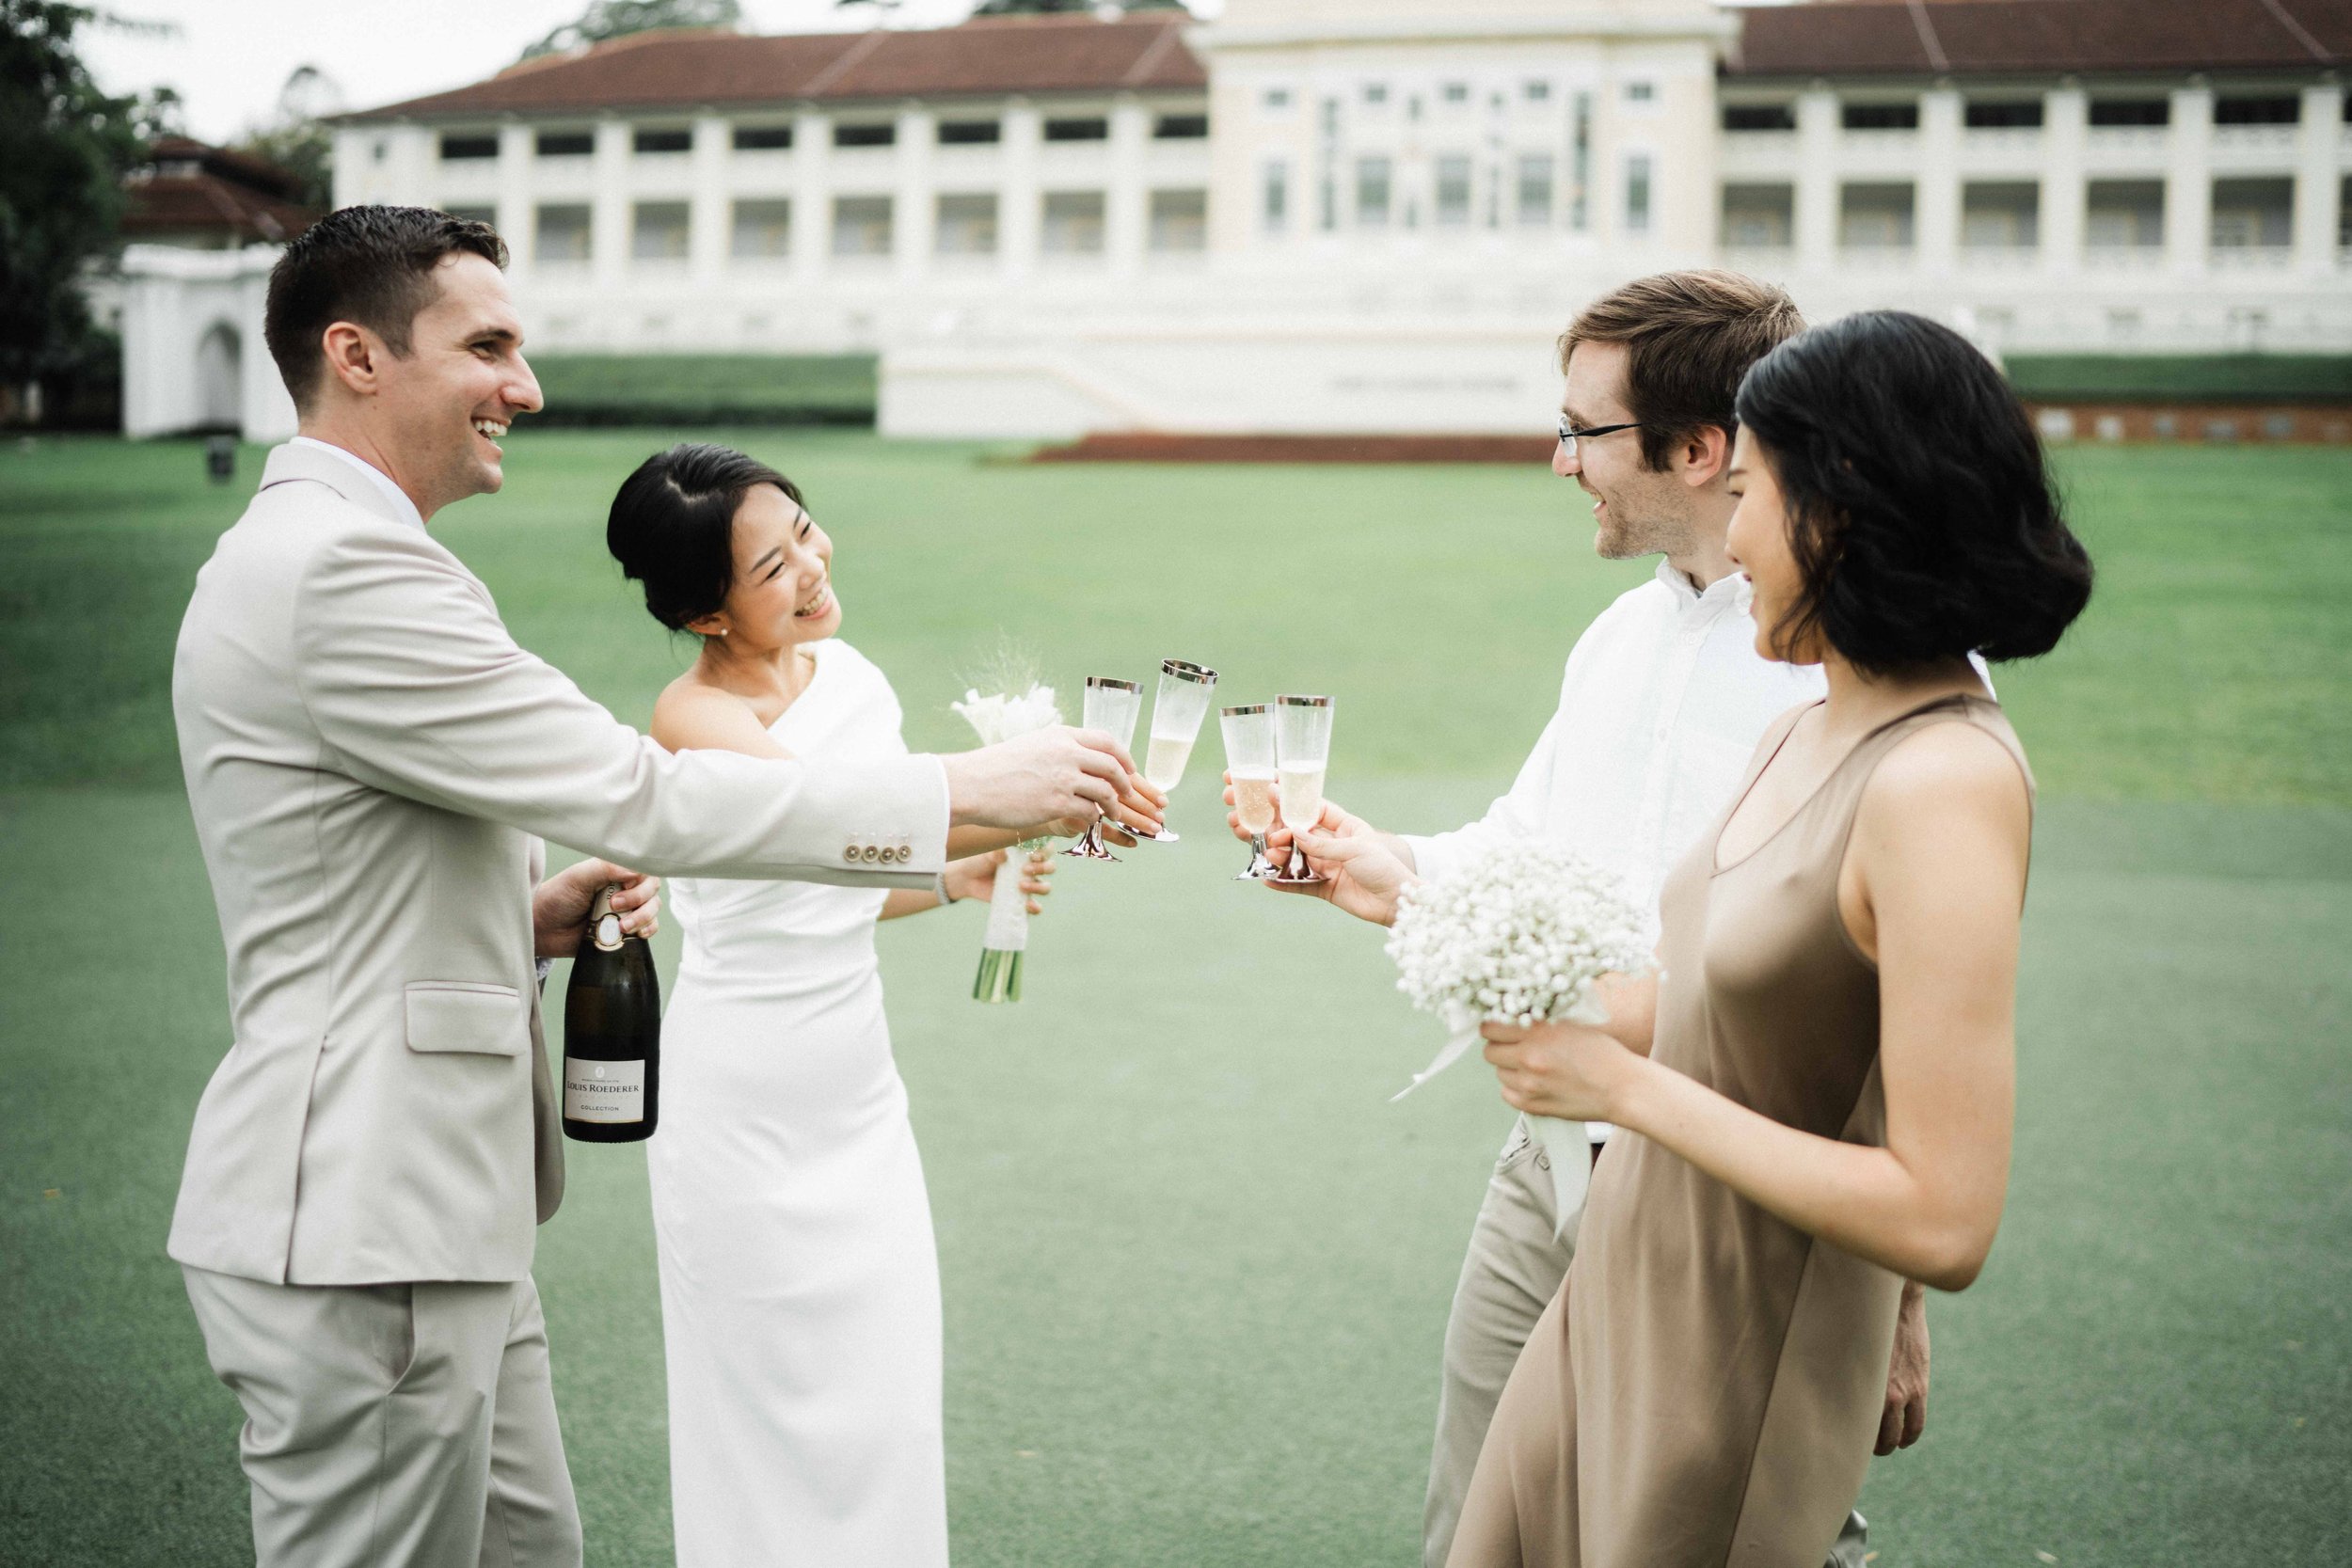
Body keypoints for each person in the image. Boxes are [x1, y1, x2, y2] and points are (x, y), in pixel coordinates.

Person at [167, 205, 1158, 1568]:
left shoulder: (350, 555)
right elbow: (650, 795)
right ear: (357, 354)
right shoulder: (343, 565)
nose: (526, 385)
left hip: (444, 1213)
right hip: (362, 1210)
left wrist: (527, 915)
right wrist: (974, 791)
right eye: (489, 346)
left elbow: (344, 870)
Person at [1306, 309, 2092, 1566]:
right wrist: (1395, 876)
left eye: (1756, 491)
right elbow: (1669, 947)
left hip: (1747, 1269)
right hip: (1602, 1212)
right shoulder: (1788, 720)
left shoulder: (1938, 767)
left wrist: (1622, 1085)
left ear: (1841, 509)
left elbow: (1922, 1162)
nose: (1736, 534)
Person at [1232, 271, 1913, 1568]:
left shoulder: (1868, 664)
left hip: (1736, 1185)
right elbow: (1521, 853)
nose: (1560, 462)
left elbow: (1890, 990)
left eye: (1584, 431)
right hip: (1543, 1156)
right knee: (1480, 1523)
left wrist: (1894, 1295)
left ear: (1700, 448)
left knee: (1714, 1537)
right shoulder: (1617, 637)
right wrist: (1368, 862)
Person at [600, 444, 1066, 1566]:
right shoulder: (690, 716)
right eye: (773, 565)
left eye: (804, 530)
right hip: (739, 1109)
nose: (812, 565)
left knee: (886, 1399)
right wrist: (1024, 794)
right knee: (758, 1411)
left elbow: (854, 876)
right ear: (707, 614)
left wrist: (970, 869)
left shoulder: (852, 679)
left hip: (857, 1099)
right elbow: (824, 821)